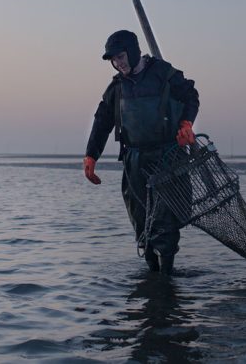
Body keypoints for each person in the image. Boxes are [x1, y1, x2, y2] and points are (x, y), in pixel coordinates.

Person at [83, 30, 200, 275]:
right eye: (113, 60)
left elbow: (191, 95)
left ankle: (167, 277)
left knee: (166, 220)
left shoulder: (163, 73)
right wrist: (91, 155)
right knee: (141, 219)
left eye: (121, 56)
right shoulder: (117, 87)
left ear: (134, 52)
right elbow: (102, 119)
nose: (118, 63)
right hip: (134, 160)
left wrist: (186, 123)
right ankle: (151, 272)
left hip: (169, 158)